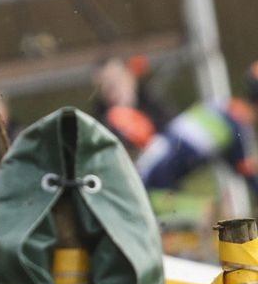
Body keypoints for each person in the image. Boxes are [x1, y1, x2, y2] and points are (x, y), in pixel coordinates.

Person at [136, 62, 258, 194]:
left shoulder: (219, 104)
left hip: (147, 167)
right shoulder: (237, 126)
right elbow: (246, 172)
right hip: (154, 179)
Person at [91, 55, 174, 154]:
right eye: (104, 85)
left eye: (117, 79)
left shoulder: (155, 105)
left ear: (130, 76)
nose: (112, 89)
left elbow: (174, 137)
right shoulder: (98, 126)